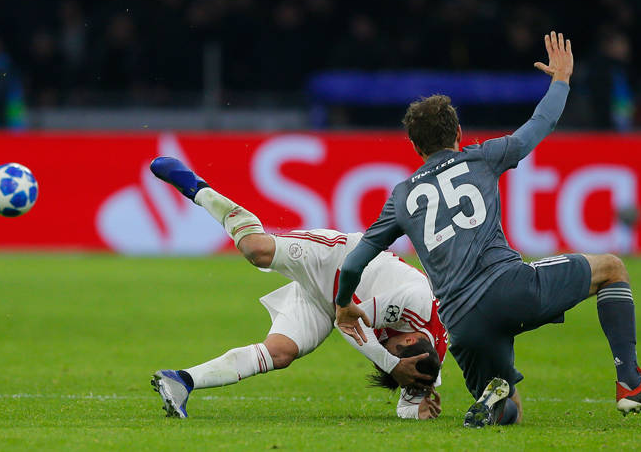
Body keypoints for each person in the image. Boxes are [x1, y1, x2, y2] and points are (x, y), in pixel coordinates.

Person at [333, 31, 641, 427]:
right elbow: (541, 122)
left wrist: (345, 303)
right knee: (611, 268)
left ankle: (494, 401)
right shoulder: (483, 157)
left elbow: (354, 263)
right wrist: (561, 80)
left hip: (462, 325)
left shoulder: (401, 196)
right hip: (509, 289)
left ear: (416, 148)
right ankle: (631, 383)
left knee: (510, 410)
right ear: (458, 134)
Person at [147, 156, 451, 421]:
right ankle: (199, 189)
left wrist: (419, 409)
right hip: (337, 262)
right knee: (256, 249)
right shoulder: (418, 301)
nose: (385, 353)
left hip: (328, 305)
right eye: (392, 351)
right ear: (410, 338)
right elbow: (348, 318)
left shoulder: (421, 365)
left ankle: (181, 381)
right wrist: (391, 364)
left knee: (280, 354)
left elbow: (407, 407)